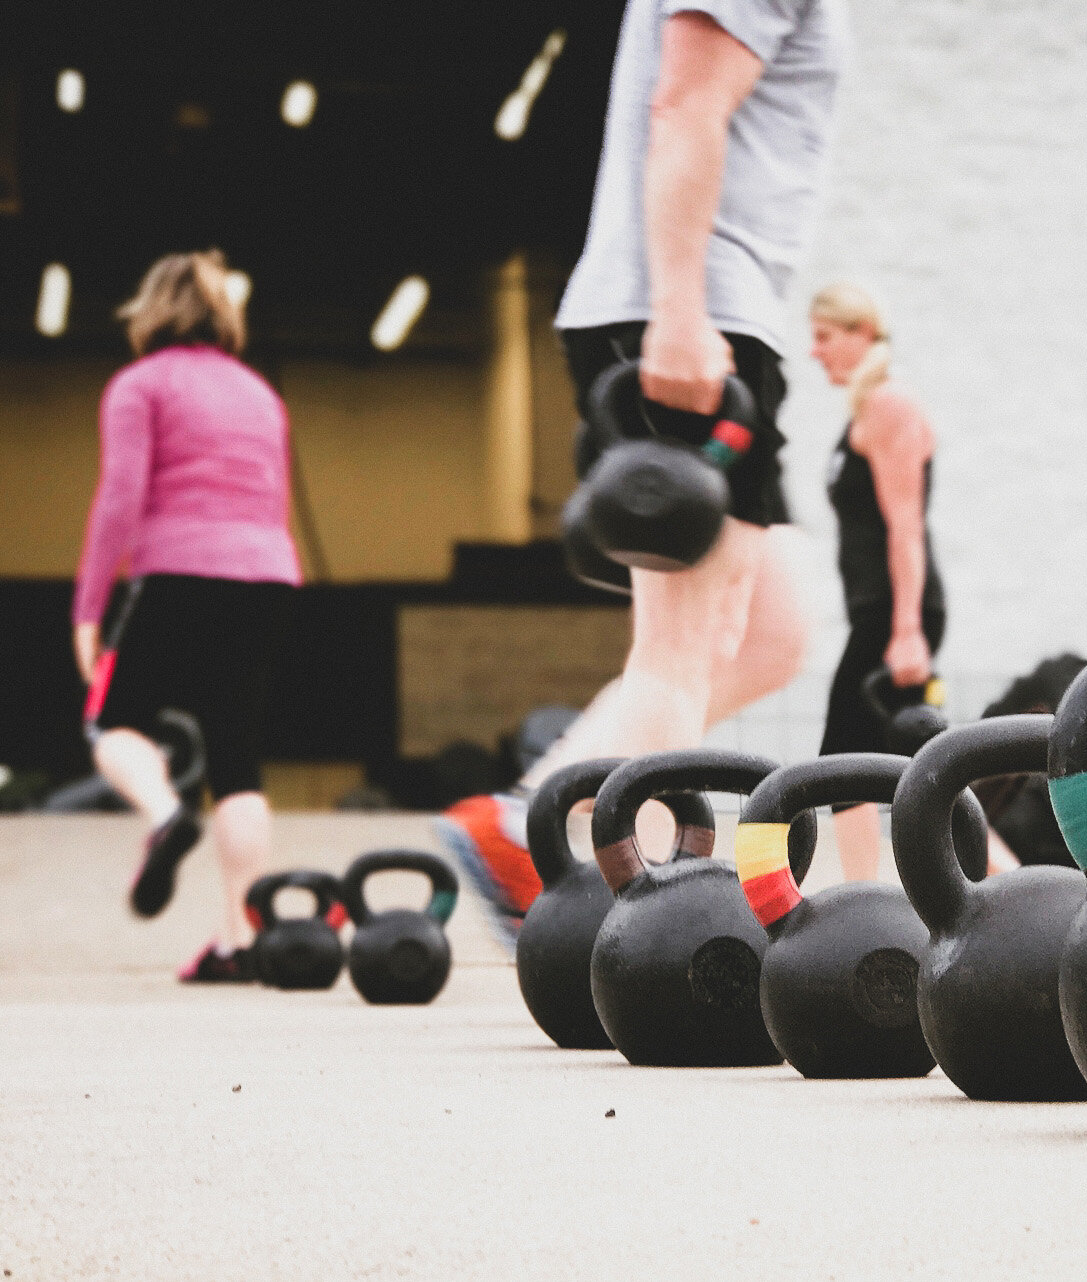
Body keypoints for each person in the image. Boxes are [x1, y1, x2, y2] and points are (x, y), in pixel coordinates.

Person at [437, 0, 845, 947]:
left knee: (774, 631)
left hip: (710, 311)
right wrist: (677, 310)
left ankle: (525, 822)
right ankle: (650, 921)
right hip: (693, 318)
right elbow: (684, 108)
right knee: (680, 648)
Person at [73, 249, 300, 983]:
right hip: (265, 575)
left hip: (178, 568)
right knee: (237, 761)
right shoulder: (262, 395)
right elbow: (275, 501)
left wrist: (89, 606)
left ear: (151, 310)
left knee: (113, 722)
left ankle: (166, 815)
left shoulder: (140, 385)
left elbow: (119, 498)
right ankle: (239, 939)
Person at [806, 283, 951, 879]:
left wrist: (907, 629)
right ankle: (1018, 892)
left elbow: (906, 529)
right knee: (920, 767)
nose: (815, 352)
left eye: (825, 337)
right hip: (881, 613)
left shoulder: (890, 404)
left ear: (863, 332)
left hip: (897, 614)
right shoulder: (867, 410)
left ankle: (863, 911)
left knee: (845, 765)